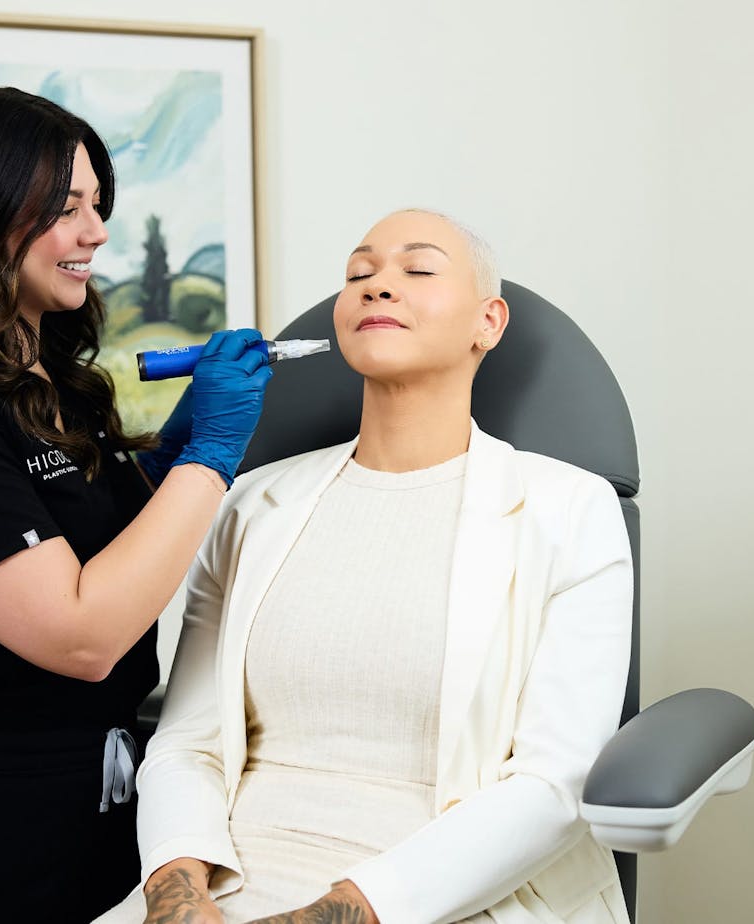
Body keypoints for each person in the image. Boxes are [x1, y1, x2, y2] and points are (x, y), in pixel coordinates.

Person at [97, 209, 634, 923]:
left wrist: (334, 912)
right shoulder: (250, 504)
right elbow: (186, 740)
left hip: (449, 893)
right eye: (359, 274)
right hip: (226, 878)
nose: (379, 286)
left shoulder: (570, 509)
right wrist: (178, 894)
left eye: (417, 270)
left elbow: (553, 783)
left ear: (489, 322)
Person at [0, 85, 271, 924]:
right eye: (66, 208)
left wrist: (165, 458)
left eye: (97, 205)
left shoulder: (54, 381)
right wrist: (210, 458)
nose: (95, 233)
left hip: (96, 810)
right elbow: (81, 635)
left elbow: (103, 544)